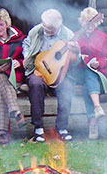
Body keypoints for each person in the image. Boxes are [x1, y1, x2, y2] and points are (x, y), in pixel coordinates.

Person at [22, 8, 79, 143]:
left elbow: (76, 61)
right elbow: (26, 43)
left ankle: (62, 128)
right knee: (36, 85)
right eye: (44, 25)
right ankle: (38, 128)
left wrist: (77, 52)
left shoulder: (68, 35)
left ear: (58, 26)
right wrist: (26, 56)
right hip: (38, 70)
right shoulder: (36, 30)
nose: (45, 29)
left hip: (59, 74)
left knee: (67, 88)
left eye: (49, 28)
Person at [0, 8, 26, 145]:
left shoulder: (19, 38)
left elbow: (27, 58)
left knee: (4, 89)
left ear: (7, 24)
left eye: (1, 24)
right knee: (2, 79)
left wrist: (18, 63)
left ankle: (2, 131)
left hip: (14, 76)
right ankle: (15, 111)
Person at [72, 7, 107, 140]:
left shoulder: (103, 37)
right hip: (79, 73)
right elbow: (69, 58)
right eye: (85, 22)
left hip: (98, 75)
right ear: (81, 22)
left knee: (87, 84)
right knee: (87, 75)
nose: (89, 25)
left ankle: (92, 122)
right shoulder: (76, 35)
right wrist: (77, 51)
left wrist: (98, 64)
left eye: (92, 22)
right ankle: (97, 107)